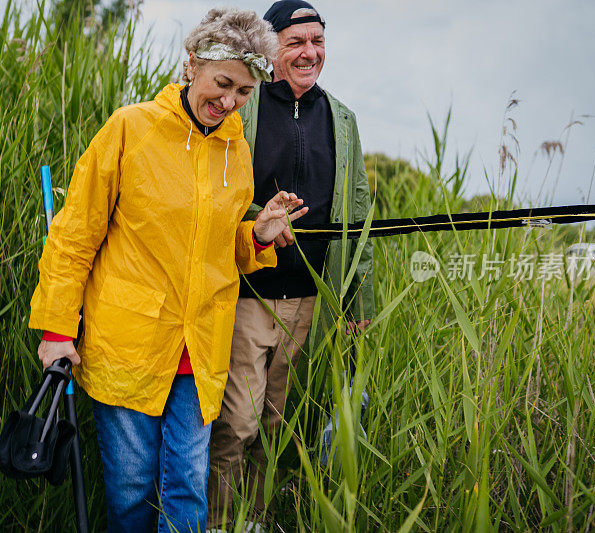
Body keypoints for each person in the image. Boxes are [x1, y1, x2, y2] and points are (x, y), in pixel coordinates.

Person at [28, 8, 309, 532]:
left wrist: (258, 235)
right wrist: (58, 329)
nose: (229, 102)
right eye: (223, 83)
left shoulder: (235, 148)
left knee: (187, 486)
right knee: (133, 491)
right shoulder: (130, 128)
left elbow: (215, 246)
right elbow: (74, 235)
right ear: (193, 63)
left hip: (200, 349)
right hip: (130, 343)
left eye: (244, 92)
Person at [208, 0, 376, 526]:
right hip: (248, 293)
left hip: (308, 299)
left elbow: (358, 213)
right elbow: (217, 190)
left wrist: (357, 299)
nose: (310, 53)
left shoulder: (341, 118)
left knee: (277, 422)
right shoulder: (246, 104)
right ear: (271, 46)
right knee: (237, 420)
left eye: (317, 42)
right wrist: (263, 217)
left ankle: (253, 519)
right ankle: (216, 520)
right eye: (296, 42)